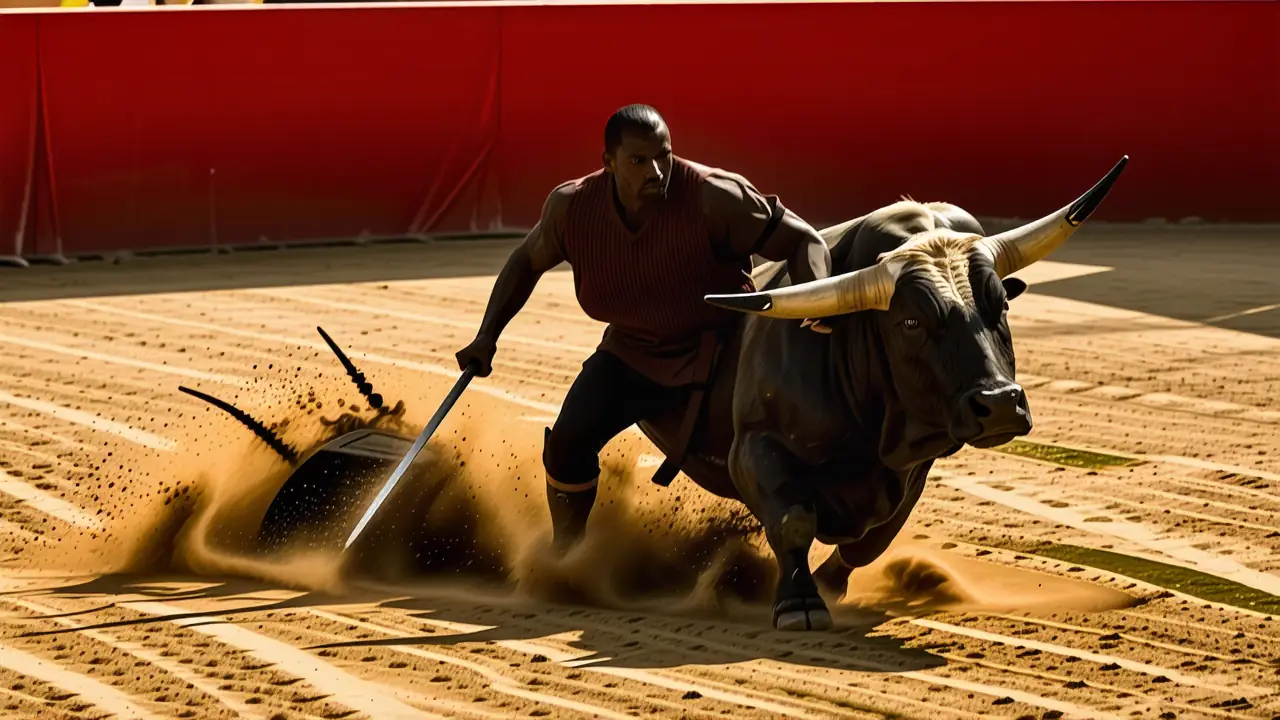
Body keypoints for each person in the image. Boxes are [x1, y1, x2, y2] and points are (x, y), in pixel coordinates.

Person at [456, 104, 833, 553]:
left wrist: (817, 304)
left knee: (782, 450)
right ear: (609, 163)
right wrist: (487, 335)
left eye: (663, 156)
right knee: (566, 445)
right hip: (631, 352)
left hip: (724, 351)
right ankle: (568, 554)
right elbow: (526, 259)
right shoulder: (572, 208)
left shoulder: (715, 196)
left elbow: (804, 239)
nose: (655, 171)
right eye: (638, 160)